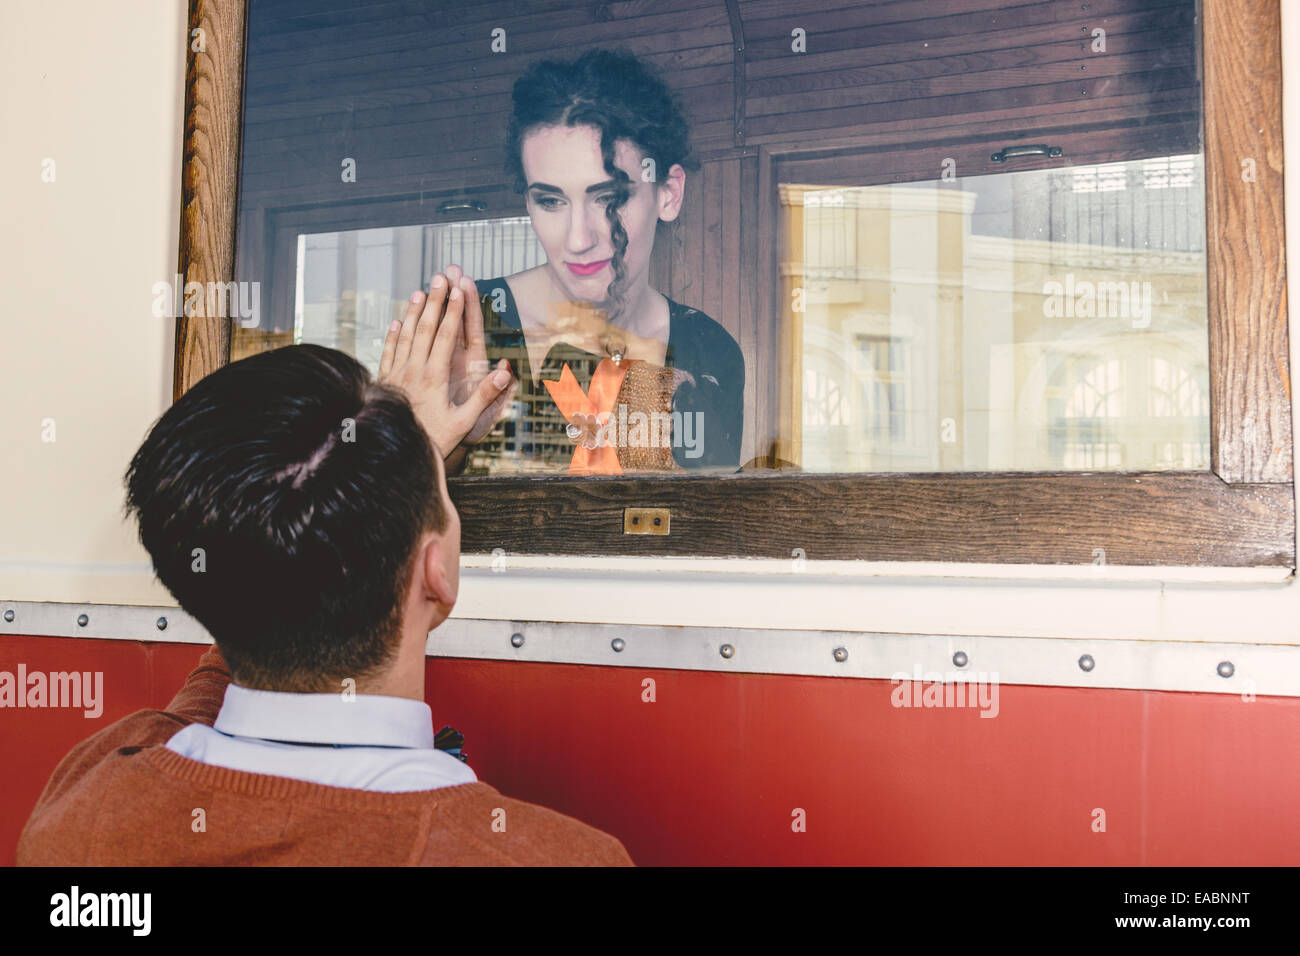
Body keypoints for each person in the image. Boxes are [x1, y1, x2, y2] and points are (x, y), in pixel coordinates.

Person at [16, 278, 633, 866]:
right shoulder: (550, 857)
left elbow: (252, 583)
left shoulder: (88, 807)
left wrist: (385, 465)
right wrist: (398, 460)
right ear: (436, 572)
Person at [438, 48, 745, 474]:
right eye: (550, 200)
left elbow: (713, 530)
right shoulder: (473, 327)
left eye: (610, 198)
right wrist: (439, 446)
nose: (578, 239)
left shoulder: (711, 350)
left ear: (668, 193)